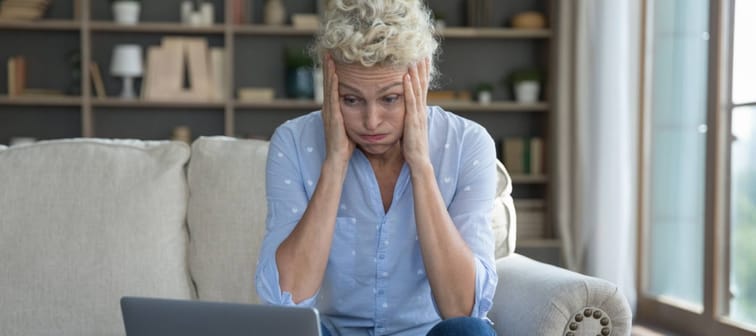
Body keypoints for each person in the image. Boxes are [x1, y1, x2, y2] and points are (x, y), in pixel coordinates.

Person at [255, 0, 499, 335]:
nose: (371, 122)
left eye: (390, 98)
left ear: (422, 78)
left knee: (471, 333)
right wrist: (335, 164)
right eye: (351, 100)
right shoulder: (294, 143)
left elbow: (461, 309)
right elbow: (285, 301)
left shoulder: (467, 144)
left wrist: (421, 167)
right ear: (330, 83)